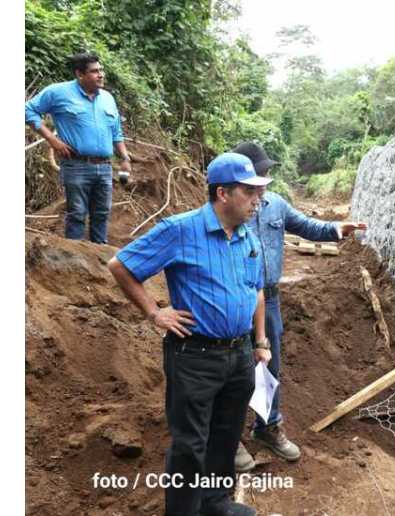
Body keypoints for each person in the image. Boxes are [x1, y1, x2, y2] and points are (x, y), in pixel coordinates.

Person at [107, 152, 273, 516]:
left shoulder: (248, 238)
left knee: (226, 436)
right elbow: (121, 265)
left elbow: (257, 291)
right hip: (194, 356)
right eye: (249, 191)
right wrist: (155, 312)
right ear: (222, 194)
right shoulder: (179, 230)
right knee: (190, 444)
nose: (257, 199)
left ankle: (215, 503)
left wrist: (260, 341)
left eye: (259, 191)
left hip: (239, 355)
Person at [230, 142, 367, 471]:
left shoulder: (276, 205)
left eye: (266, 171)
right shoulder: (230, 208)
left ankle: (266, 427)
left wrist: (336, 229)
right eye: (260, 171)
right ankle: (228, 436)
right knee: (232, 369)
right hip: (234, 299)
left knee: (268, 367)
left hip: (270, 299)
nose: (267, 176)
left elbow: (306, 226)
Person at [25, 52, 132, 244]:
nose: (101, 75)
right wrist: (52, 139)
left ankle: (100, 256)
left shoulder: (107, 98)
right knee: (77, 214)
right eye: (94, 71)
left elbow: (116, 131)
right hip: (76, 165)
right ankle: (74, 260)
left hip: (105, 167)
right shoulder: (58, 92)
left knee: (101, 214)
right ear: (80, 74)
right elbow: (28, 110)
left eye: (101, 70)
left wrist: (124, 158)